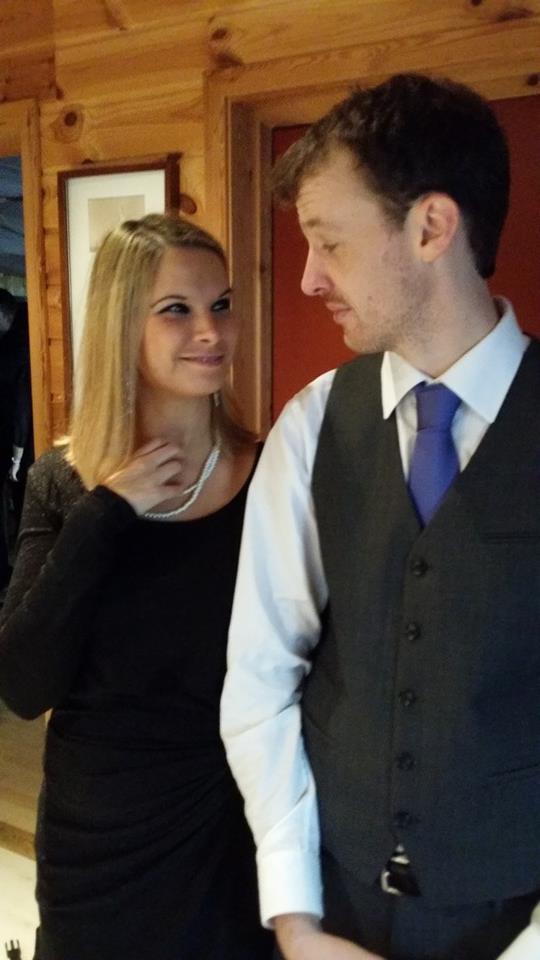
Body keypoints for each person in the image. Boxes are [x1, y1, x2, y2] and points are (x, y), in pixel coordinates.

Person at [221, 73, 540, 960]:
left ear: (431, 227)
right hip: (332, 908)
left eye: (330, 241)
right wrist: (295, 917)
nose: (308, 276)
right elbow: (260, 676)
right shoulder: (311, 425)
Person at [0, 213, 273, 960]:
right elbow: (23, 683)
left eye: (222, 304)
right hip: (100, 839)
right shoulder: (64, 483)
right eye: (176, 309)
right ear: (122, 325)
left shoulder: (274, 473)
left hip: (235, 825)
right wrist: (108, 512)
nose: (211, 331)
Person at [0, 289, 32, 587]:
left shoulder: (14, 347)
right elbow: (21, 407)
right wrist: (18, 454)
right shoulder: (20, 347)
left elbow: (22, 406)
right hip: (13, 439)